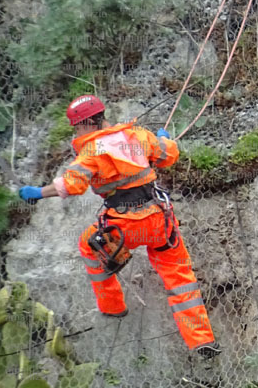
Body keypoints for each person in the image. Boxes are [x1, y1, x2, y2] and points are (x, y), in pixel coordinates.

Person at [17, 95, 220, 358]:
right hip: (159, 220)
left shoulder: (90, 152)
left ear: (89, 123)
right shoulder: (137, 135)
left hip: (122, 228)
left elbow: (71, 186)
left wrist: (37, 192)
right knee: (179, 276)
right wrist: (163, 138)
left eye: (77, 126)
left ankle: (112, 305)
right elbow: (169, 154)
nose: (76, 131)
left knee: (88, 246)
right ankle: (201, 340)